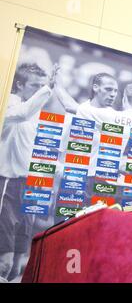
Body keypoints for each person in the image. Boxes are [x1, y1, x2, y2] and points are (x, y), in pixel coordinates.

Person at [0, 63, 53, 282]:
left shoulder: (36, 112)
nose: (40, 90)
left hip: (30, 185)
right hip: (8, 184)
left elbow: (35, 151)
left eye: (42, 85)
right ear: (19, 85)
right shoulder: (9, 105)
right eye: (35, 86)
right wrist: (48, 88)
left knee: (20, 263)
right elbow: (23, 113)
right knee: (5, 261)